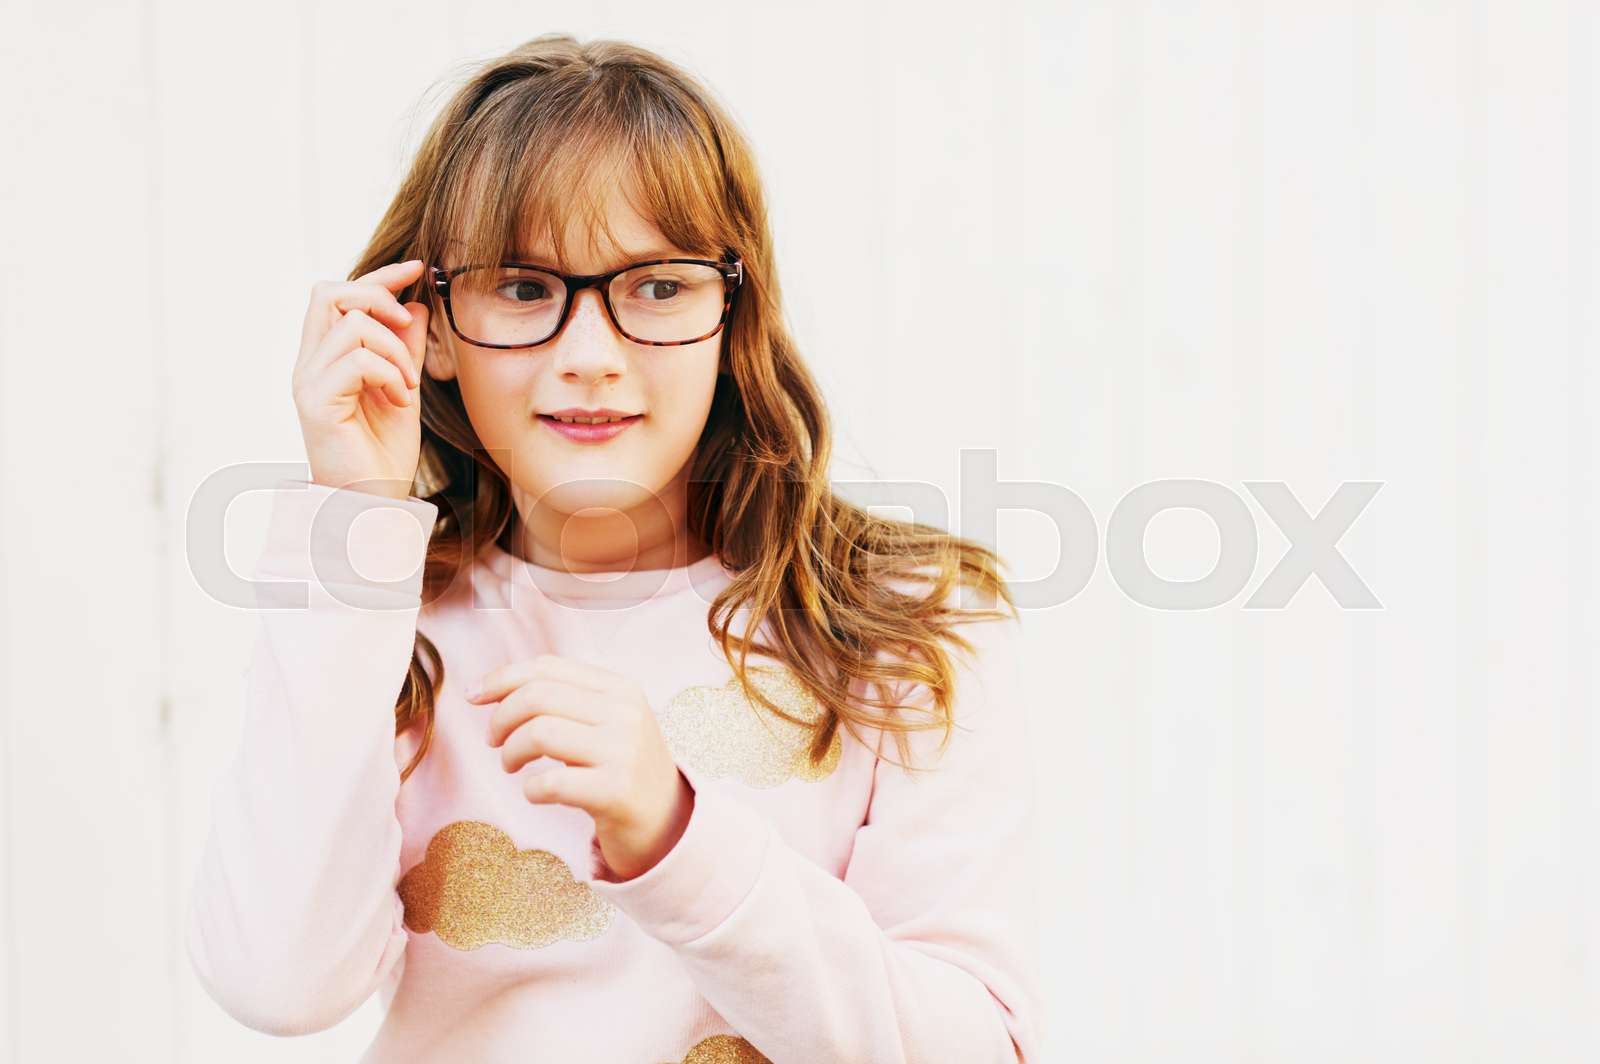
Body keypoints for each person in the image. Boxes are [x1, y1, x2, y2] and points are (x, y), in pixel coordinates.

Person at [185, 32, 1041, 1064]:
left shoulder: (904, 625)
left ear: (733, 312)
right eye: (522, 287)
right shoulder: (376, 621)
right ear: (433, 327)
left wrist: (675, 833)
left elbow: (974, 1047)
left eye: (657, 287)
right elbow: (277, 985)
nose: (589, 357)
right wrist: (352, 519)